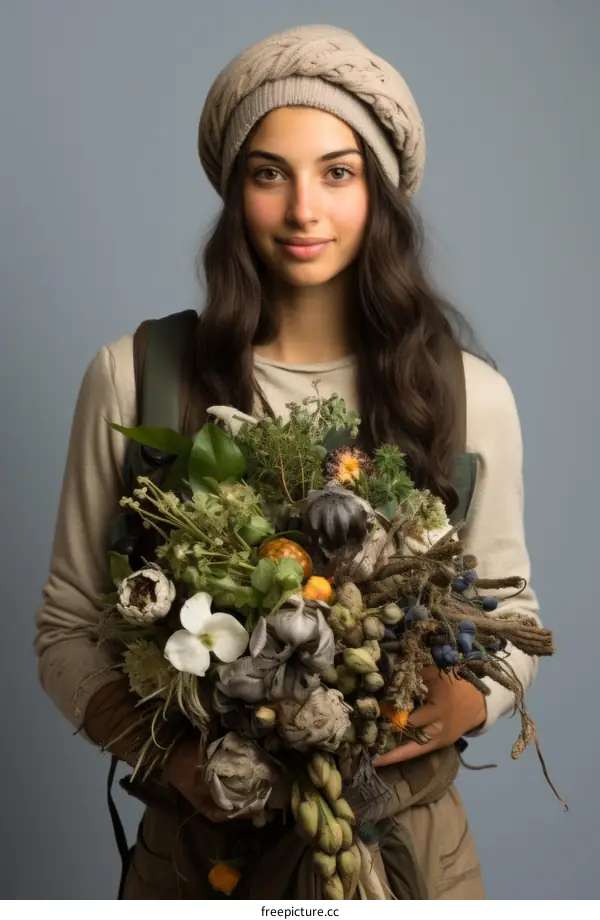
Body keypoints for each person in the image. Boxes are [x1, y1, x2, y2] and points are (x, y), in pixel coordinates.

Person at [35, 24, 541, 899]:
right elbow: (68, 628)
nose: (304, 209)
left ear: (378, 192)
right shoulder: (134, 376)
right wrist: (179, 758)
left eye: (338, 173)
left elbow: (514, 610)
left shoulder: (468, 395)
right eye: (270, 174)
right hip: (204, 864)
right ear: (236, 193)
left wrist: (456, 707)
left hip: (408, 858)